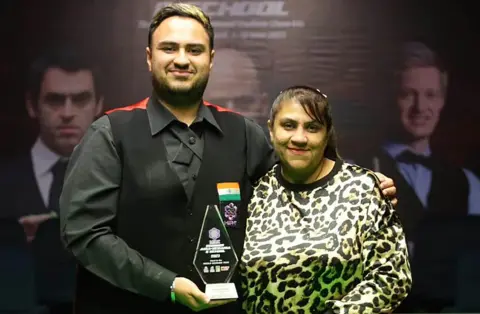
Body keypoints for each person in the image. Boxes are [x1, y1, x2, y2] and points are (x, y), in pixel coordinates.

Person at [59, 3, 398, 314]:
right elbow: (84, 233)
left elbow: (299, 187)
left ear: (210, 59)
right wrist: (168, 285)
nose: (181, 59)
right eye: (169, 48)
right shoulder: (108, 134)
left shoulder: (245, 134)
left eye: (194, 50)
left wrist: (357, 188)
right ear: (149, 57)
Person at [240, 86, 412, 314]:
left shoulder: (362, 189)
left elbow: (392, 278)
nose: (299, 138)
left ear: (327, 133)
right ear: (271, 130)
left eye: (312, 127)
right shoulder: (256, 192)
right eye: (289, 125)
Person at [0, 47, 103, 314]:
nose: (67, 113)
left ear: (98, 106)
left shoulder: (127, 183)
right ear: (32, 106)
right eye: (55, 100)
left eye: (80, 99)